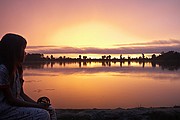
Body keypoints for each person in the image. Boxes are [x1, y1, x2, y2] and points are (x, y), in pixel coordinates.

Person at [0, 33, 57, 120]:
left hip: (15, 105)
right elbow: (11, 100)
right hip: (5, 109)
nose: (25, 53)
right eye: (23, 49)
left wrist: (38, 105)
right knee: (43, 115)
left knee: (50, 110)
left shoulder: (18, 69)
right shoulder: (3, 70)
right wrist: (37, 106)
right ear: (14, 51)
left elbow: (21, 94)